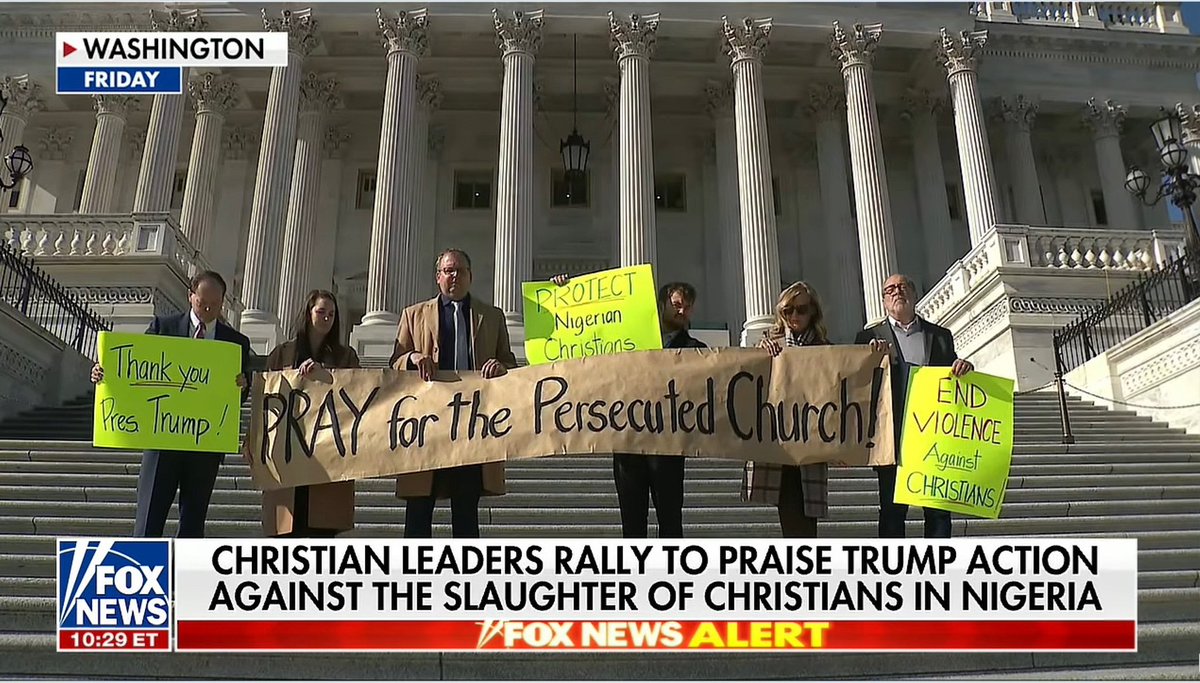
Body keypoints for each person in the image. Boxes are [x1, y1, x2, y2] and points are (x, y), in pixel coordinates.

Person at [90, 270, 251, 538]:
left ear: (223, 302)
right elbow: (133, 371)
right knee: (148, 522)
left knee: (193, 523)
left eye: (215, 303)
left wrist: (242, 386)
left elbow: (240, 397)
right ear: (191, 297)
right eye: (203, 302)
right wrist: (103, 373)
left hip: (204, 444)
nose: (208, 308)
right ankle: (143, 573)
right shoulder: (162, 328)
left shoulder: (236, 343)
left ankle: (185, 577)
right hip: (163, 442)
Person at [549, 275, 706, 538]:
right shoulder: (626, 342)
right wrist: (564, 294)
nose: (683, 311)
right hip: (628, 445)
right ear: (661, 305)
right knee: (632, 526)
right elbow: (588, 334)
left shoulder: (697, 350)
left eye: (688, 306)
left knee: (671, 524)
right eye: (677, 304)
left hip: (668, 448)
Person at [390, 248, 517, 538]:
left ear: (470, 276)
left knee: (466, 512)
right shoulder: (413, 315)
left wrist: (501, 366)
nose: (454, 276)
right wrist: (412, 358)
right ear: (438, 277)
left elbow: (510, 364)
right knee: (419, 511)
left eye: (459, 270)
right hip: (426, 427)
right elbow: (394, 364)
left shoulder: (492, 317)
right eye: (448, 271)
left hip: (471, 428)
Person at [855, 273, 974, 539]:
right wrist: (868, 358)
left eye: (903, 286)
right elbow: (857, 385)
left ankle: (937, 572)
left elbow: (954, 377)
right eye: (890, 289)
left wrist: (965, 369)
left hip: (933, 436)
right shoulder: (868, 337)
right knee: (892, 510)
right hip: (893, 438)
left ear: (914, 293)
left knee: (938, 512)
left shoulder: (941, 336)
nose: (897, 292)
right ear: (885, 301)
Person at [261, 290, 360, 538]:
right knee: (286, 529)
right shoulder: (282, 354)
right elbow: (266, 399)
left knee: (321, 529)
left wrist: (324, 373)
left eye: (332, 314)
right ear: (308, 313)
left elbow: (357, 393)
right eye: (321, 312)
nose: (327, 318)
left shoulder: (345, 356)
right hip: (288, 452)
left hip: (327, 452)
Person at [744, 281, 836, 537]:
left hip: (812, 441)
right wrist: (758, 354)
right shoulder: (768, 346)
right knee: (790, 509)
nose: (794, 316)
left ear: (813, 312)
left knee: (806, 514)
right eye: (788, 310)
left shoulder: (826, 349)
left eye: (801, 309)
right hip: (779, 444)